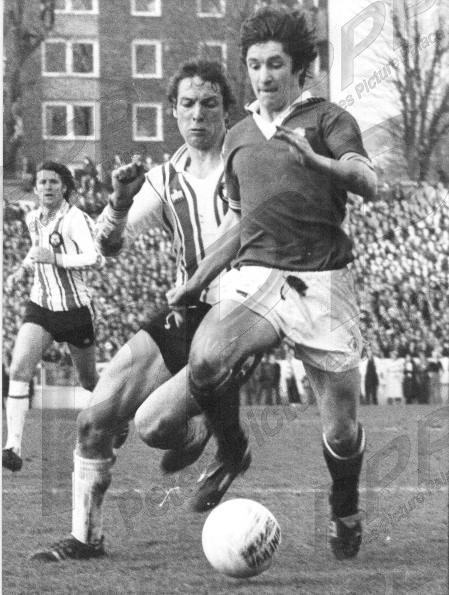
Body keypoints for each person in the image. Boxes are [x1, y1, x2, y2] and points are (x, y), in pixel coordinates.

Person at [168, 6, 376, 560]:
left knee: (341, 431)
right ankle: (232, 451)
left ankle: (345, 505)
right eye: (255, 65)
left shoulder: (329, 119)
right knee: (206, 358)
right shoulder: (238, 136)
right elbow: (239, 224)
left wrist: (319, 163)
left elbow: (368, 180)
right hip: (258, 278)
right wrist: (196, 281)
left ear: (299, 68)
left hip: (322, 284)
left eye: (275, 64)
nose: (264, 76)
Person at [31, 60, 237, 562]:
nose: (198, 114)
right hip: (187, 310)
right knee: (94, 420)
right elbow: (107, 245)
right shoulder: (165, 178)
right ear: (173, 112)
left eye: (209, 103)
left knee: (153, 427)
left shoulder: (246, 164)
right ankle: (86, 539)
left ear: (226, 111)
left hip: (242, 314)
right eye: (187, 104)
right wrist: (121, 202)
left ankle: (214, 430)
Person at [2, 161, 103, 472]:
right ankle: (12, 446)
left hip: (75, 311)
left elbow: (95, 258)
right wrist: (22, 270)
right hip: (41, 306)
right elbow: (36, 250)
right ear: (35, 188)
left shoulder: (76, 219)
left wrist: (56, 258)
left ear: (65, 187)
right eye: (42, 182)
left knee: (89, 380)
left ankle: (116, 412)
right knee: (19, 369)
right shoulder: (33, 218)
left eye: (53, 182)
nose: (47, 186)